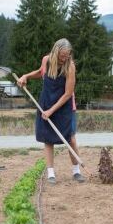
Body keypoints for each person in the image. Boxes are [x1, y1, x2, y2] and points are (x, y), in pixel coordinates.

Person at [17, 38, 84, 184]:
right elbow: (41, 72)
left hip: (65, 106)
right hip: (46, 103)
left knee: (70, 139)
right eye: (61, 56)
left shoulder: (70, 66)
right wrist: (26, 76)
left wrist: (51, 111)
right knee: (48, 139)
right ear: (55, 52)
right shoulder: (46, 60)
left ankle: (76, 171)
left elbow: (67, 94)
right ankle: (51, 174)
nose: (64, 59)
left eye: (67, 56)